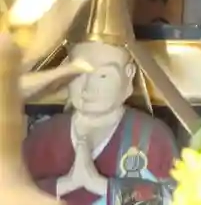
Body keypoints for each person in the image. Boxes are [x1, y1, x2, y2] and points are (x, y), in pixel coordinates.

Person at [23, 40, 178, 205]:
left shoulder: (152, 137)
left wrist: (102, 186)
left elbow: (177, 198)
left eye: (103, 75)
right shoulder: (44, 136)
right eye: (78, 74)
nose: (88, 88)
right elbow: (10, 192)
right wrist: (65, 184)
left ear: (129, 74)